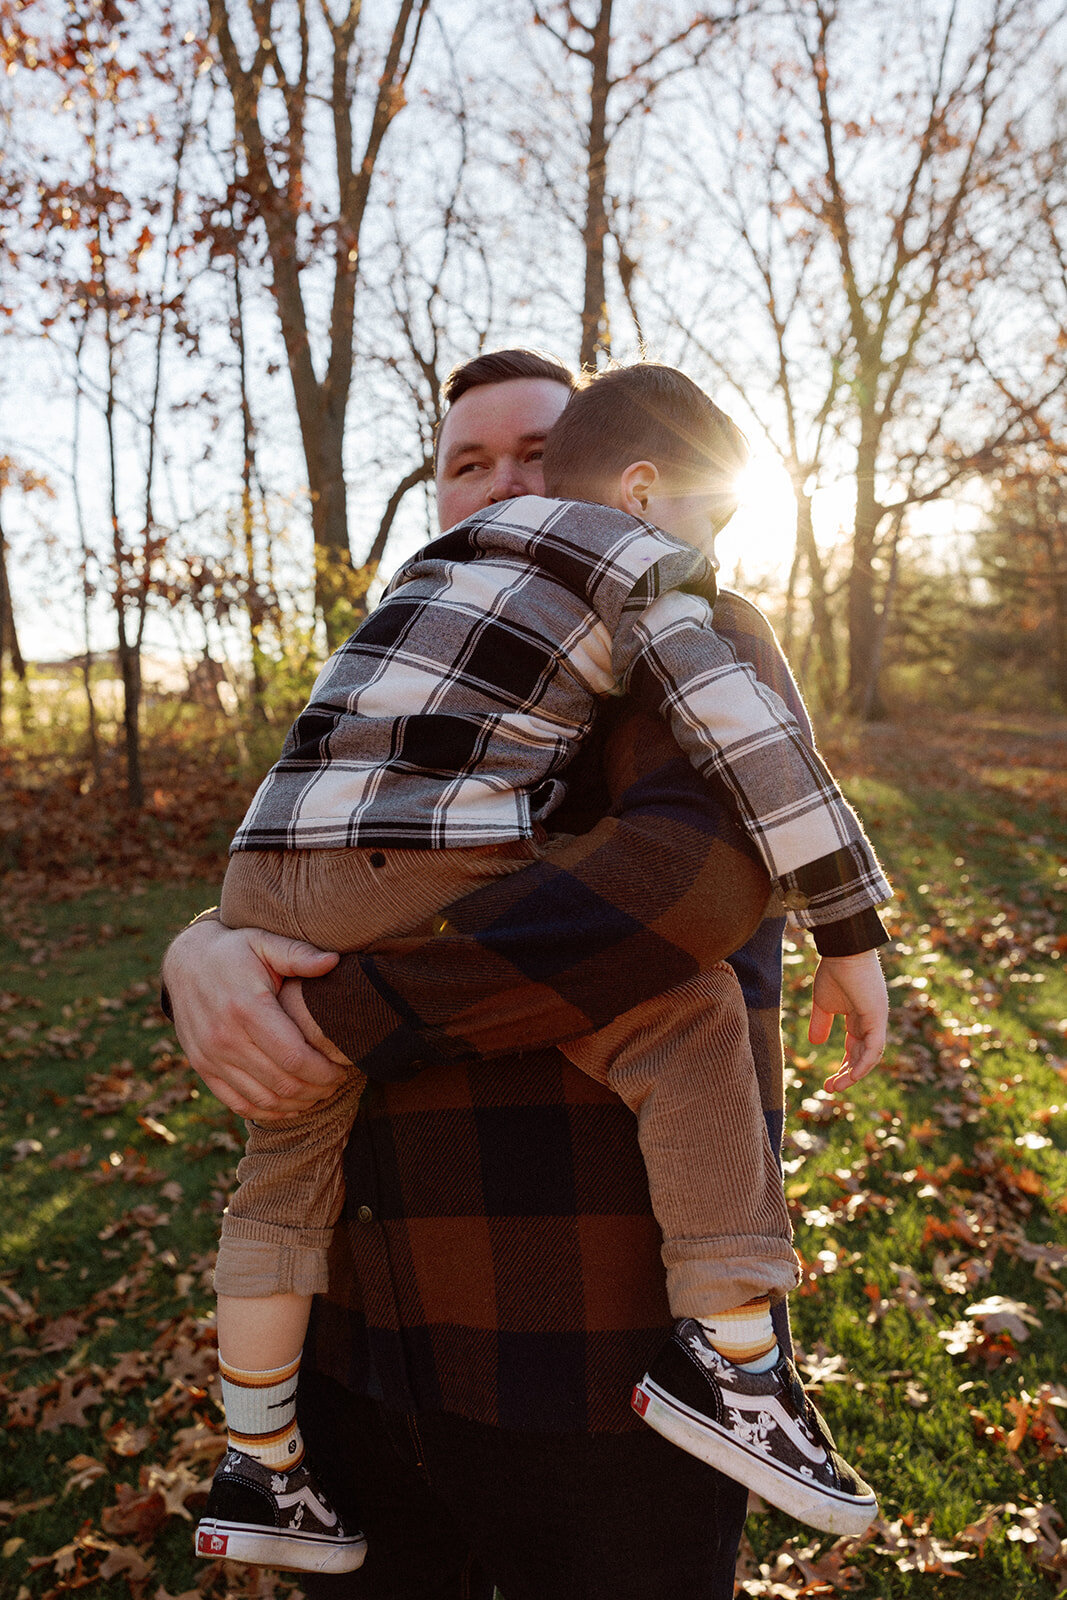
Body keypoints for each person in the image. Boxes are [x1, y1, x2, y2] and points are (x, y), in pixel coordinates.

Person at [165, 349, 890, 1600]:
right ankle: (262, 1458)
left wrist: (337, 1011)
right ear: (437, 493)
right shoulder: (424, 641)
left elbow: (681, 885)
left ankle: (722, 1366)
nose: (508, 482)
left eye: (541, 454)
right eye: (467, 461)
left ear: (622, 477)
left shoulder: (686, 619)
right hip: (361, 1348)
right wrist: (199, 954)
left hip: (578, 1355)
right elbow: (312, 868)